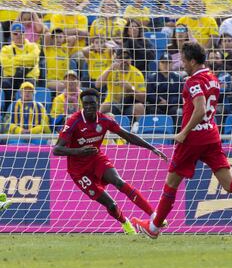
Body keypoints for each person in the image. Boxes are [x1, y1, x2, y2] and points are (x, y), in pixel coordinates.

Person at [132, 42, 232, 239]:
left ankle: (154, 228)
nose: (181, 65)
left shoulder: (193, 81)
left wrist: (183, 132)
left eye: (183, 61)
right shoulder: (213, 79)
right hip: (211, 135)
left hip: (193, 137)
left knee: (171, 182)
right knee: (229, 184)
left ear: (192, 61)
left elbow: (199, 109)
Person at [53, 88, 168, 234]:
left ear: (99, 104)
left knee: (119, 182)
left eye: (92, 104)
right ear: (82, 104)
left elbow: (127, 136)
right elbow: (56, 150)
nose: (89, 107)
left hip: (96, 159)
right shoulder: (74, 121)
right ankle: (125, 223)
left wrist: (151, 148)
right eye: (86, 104)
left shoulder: (104, 120)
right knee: (111, 204)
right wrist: (78, 151)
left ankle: (154, 215)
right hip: (78, 171)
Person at [0, 23, 40, 111]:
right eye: (15, 33)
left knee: (28, 85)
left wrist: (14, 60)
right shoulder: (6, 49)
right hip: (11, 77)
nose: (18, 35)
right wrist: (25, 61)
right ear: (11, 35)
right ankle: (7, 110)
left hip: (28, 76)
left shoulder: (33, 46)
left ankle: (28, 111)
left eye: (21, 32)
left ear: (24, 34)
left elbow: (34, 58)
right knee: (5, 84)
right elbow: (5, 63)